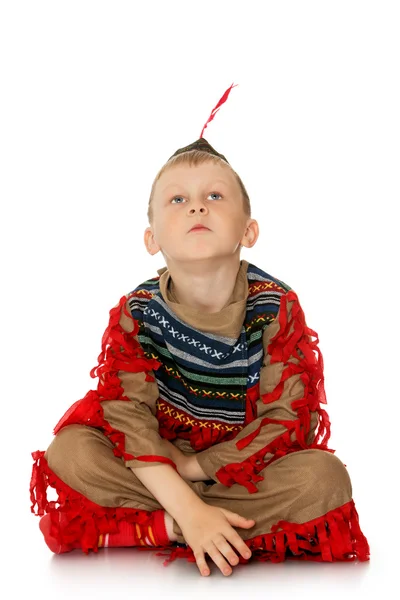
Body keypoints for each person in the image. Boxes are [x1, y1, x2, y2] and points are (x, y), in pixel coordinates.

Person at [30, 84, 370, 577]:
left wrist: (194, 469)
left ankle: (158, 525)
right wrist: (189, 506)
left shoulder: (274, 307)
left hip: (238, 465)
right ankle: (190, 523)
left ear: (247, 231)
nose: (197, 207)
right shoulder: (139, 311)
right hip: (154, 460)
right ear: (152, 239)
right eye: (177, 199)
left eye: (214, 195)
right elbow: (129, 423)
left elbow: (285, 419)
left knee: (325, 478)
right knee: (72, 453)